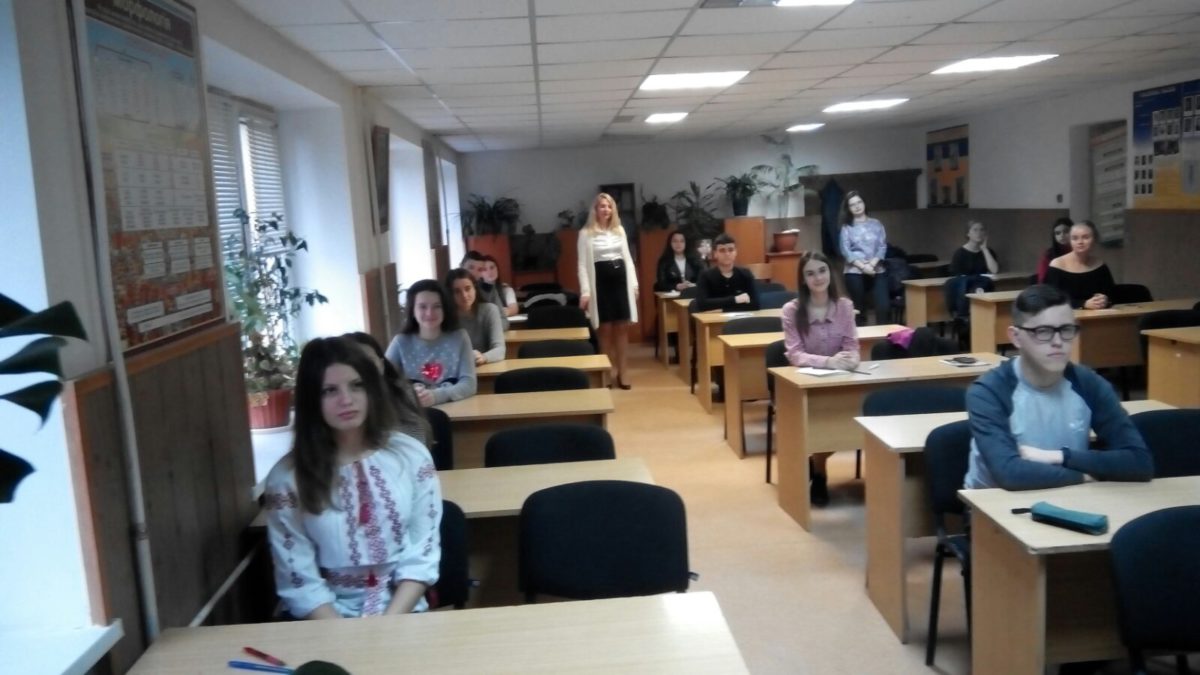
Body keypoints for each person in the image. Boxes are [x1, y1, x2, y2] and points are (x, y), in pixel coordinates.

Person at [263, 336, 442, 619]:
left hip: (404, 612)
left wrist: (389, 624)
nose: (346, 400)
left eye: (357, 385)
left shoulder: (411, 455)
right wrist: (346, 638)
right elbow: (299, 579)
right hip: (326, 620)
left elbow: (423, 552)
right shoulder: (287, 478)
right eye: (329, 390)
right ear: (312, 400)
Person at [964, 284, 1153, 490]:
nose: (1058, 342)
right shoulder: (989, 391)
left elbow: (1139, 462)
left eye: (1066, 330)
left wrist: (1061, 457)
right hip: (994, 503)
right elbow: (1009, 473)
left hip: (1068, 496)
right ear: (1016, 337)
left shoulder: (1088, 383)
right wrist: (1082, 477)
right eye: (1043, 331)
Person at [780, 251, 860, 506]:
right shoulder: (792, 310)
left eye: (822, 271)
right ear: (803, 279)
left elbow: (852, 346)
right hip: (806, 383)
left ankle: (816, 464)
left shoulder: (845, 306)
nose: (818, 278)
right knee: (822, 421)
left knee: (850, 420)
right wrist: (828, 362)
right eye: (810, 273)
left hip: (840, 380)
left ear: (830, 273)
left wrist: (851, 359)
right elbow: (795, 355)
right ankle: (820, 473)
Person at [577, 192, 639, 390]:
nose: (606, 210)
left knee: (621, 327)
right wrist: (585, 291)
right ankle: (606, 372)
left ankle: (623, 372)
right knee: (604, 329)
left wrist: (634, 285)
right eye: (602, 206)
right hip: (600, 284)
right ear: (595, 210)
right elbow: (582, 265)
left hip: (620, 282)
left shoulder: (619, 230)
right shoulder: (586, 233)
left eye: (609, 206)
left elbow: (628, 259)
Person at [385, 279, 477, 406]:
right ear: (412, 310)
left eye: (437, 306)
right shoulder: (400, 342)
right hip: (414, 412)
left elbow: (469, 384)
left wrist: (436, 396)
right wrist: (409, 395)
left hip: (455, 410)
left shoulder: (460, 338)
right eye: (423, 307)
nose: (429, 313)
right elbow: (382, 382)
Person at [343, 331, 430, 446]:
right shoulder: (343, 401)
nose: (363, 368)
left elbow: (414, 440)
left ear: (381, 365)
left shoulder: (400, 392)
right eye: (355, 363)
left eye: (369, 361)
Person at [838, 191, 891, 325]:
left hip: (876, 269)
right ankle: (860, 336)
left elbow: (882, 246)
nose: (857, 206)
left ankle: (883, 336)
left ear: (864, 203)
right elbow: (845, 250)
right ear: (848, 209)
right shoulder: (846, 227)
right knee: (859, 310)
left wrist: (871, 265)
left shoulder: (876, 224)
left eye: (859, 202)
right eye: (852, 205)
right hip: (854, 271)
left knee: (884, 306)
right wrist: (863, 267)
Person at [1044, 220, 1116, 309]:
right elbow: (1051, 300)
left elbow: (1112, 295)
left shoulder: (1100, 265)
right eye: (1075, 238)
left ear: (1094, 240)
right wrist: (1083, 304)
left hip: (1097, 315)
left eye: (1085, 237)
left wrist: (1105, 300)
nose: (1080, 242)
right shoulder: (1057, 264)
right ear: (1070, 241)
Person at [445, 268, 505, 366]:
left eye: (468, 288)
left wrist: (484, 357)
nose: (464, 295)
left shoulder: (490, 310)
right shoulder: (445, 316)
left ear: (475, 288)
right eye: (457, 291)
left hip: (485, 367)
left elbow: (500, 349)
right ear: (450, 294)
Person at [695, 233, 760, 312]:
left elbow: (755, 304)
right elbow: (702, 304)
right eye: (722, 250)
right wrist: (735, 299)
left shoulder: (746, 274)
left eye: (731, 250)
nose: (727, 254)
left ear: (736, 252)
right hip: (714, 319)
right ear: (715, 254)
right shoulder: (705, 276)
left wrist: (723, 309)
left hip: (741, 318)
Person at [461, 250, 509, 327]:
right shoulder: (450, 290)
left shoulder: (489, 289)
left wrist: (488, 328)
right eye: (471, 267)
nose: (474, 273)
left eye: (479, 270)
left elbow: (504, 321)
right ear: (461, 266)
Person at [1036, 217, 1072, 283]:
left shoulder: (1080, 252)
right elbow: (1042, 280)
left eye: (1066, 231)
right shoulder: (1049, 254)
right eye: (1057, 233)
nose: (1062, 235)